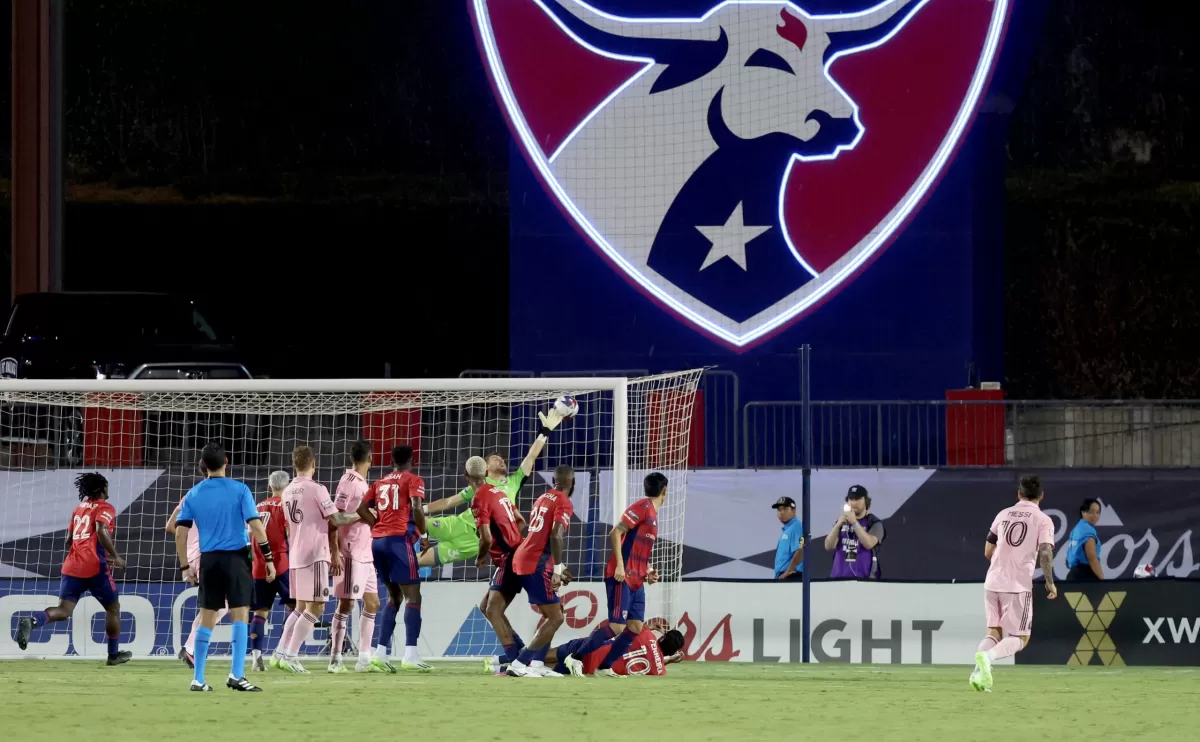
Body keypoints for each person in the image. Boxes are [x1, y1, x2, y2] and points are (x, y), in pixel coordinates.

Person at [173, 441, 274, 692]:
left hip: (209, 560)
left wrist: (185, 566)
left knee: (207, 616)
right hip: (236, 558)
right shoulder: (240, 490)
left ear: (203, 465)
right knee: (240, 614)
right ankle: (236, 675)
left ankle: (198, 679)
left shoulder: (194, 493)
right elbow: (257, 527)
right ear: (226, 461)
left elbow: (179, 533)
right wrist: (269, 558)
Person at [16, 473, 132, 666]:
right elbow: (101, 529)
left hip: (71, 566)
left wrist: (89, 549)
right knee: (113, 608)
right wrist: (115, 556)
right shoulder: (105, 507)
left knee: (63, 610)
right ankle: (113, 655)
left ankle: (33, 620)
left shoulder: (79, 509)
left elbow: (69, 539)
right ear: (102, 488)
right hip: (94, 567)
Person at [563, 472, 666, 678]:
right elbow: (615, 533)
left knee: (635, 627)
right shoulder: (642, 508)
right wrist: (619, 565)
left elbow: (639, 549)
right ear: (665, 492)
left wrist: (649, 570)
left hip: (636, 578)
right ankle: (575, 657)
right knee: (617, 626)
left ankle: (605, 666)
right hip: (621, 575)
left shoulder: (653, 516)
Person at [271, 445, 361, 674]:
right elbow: (337, 519)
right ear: (314, 464)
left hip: (296, 554)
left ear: (295, 465)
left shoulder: (288, 490)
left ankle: (280, 653)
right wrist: (363, 514)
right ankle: (291, 656)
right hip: (314, 554)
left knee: (301, 607)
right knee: (317, 606)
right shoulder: (317, 489)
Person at [971, 475, 1057, 692]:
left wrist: (1003, 564)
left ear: (1019, 494)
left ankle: (978, 672)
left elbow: (988, 550)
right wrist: (1049, 581)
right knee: (1021, 637)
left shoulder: (1003, 514)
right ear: (1041, 496)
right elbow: (1045, 551)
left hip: (992, 581)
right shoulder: (1043, 520)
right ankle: (988, 658)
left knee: (994, 632)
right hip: (1017, 585)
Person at [355, 444, 432, 672]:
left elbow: (361, 509)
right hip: (399, 541)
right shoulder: (413, 480)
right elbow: (417, 506)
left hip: (377, 543)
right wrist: (425, 534)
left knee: (394, 596)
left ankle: (380, 652)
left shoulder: (379, 482)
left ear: (391, 462)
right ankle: (411, 654)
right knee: (414, 597)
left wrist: (377, 525)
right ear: (413, 460)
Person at [507, 465, 577, 677]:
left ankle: (537, 664)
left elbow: (540, 535)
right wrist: (556, 568)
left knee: (556, 612)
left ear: (554, 480)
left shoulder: (542, 498)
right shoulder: (564, 502)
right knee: (556, 618)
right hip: (535, 563)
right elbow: (556, 535)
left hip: (527, 557)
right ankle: (520, 663)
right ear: (572, 483)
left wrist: (559, 566)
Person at [328, 440, 385, 674]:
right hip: (349, 551)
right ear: (370, 459)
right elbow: (334, 518)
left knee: (373, 603)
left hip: (365, 552)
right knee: (347, 603)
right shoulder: (348, 482)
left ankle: (363, 659)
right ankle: (335, 659)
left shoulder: (362, 482)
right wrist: (335, 553)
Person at [465, 455, 525, 672]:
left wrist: (481, 557)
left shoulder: (479, 499)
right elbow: (521, 520)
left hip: (510, 557)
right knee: (487, 607)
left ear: (467, 477)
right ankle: (518, 650)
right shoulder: (499, 492)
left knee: (492, 610)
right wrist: (513, 539)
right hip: (516, 553)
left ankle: (514, 658)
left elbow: (487, 538)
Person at [167, 488, 228, 669]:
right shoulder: (225, 496)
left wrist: (188, 555)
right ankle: (191, 648)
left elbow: (171, 526)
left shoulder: (191, 496)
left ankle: (189, 647)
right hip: (208, 555)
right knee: (221, 605)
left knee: (211, 606)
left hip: (193, 556)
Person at [249, 470, 293, 671]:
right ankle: (284, 651)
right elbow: (288, 534)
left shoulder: (257, 507)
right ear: (288, 486)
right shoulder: (285, 506)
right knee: (296, 608)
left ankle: (256, 657)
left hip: (258, 566)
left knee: (260, 611)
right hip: (281, 562)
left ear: (270, 486)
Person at [547, 621, 685, 676]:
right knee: (552, 669)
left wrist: (652, 626)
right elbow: (655, 660)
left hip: (592, 650)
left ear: (661, 637)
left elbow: (634, 627)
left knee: (545, 656)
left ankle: (527, 658)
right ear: (672, 652)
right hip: (591, 668)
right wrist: (670, 660)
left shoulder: (647, 635)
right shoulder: (659, 671)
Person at [824, 485, 884, 579]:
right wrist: (837, 525)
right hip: (838, 579)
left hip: (864, 579)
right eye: (851, 499)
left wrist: (854, 522)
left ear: (865, 501)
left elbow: (869, 543)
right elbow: (828, 545)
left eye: (857, 499)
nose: (853, 502)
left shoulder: (873, 522)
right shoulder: (841, 522)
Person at [1066, 499, 1104, 581]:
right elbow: (1092, 557)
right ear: (1083, 512)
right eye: (1091, 512)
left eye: (1097, 512)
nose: (1095, 515)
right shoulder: (1087, 529)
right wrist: (1102, 579)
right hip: (1086, 577)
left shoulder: (1076, 529)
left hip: (1073, 576)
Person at [772, 496, 804, 580]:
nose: (781, 512)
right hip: (786, 575)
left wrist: (788, 571)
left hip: (792, 575)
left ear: (793, 510)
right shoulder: (788, 529)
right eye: (779, 509)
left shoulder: (798, 527)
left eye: (785, 509)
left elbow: (801, 549)